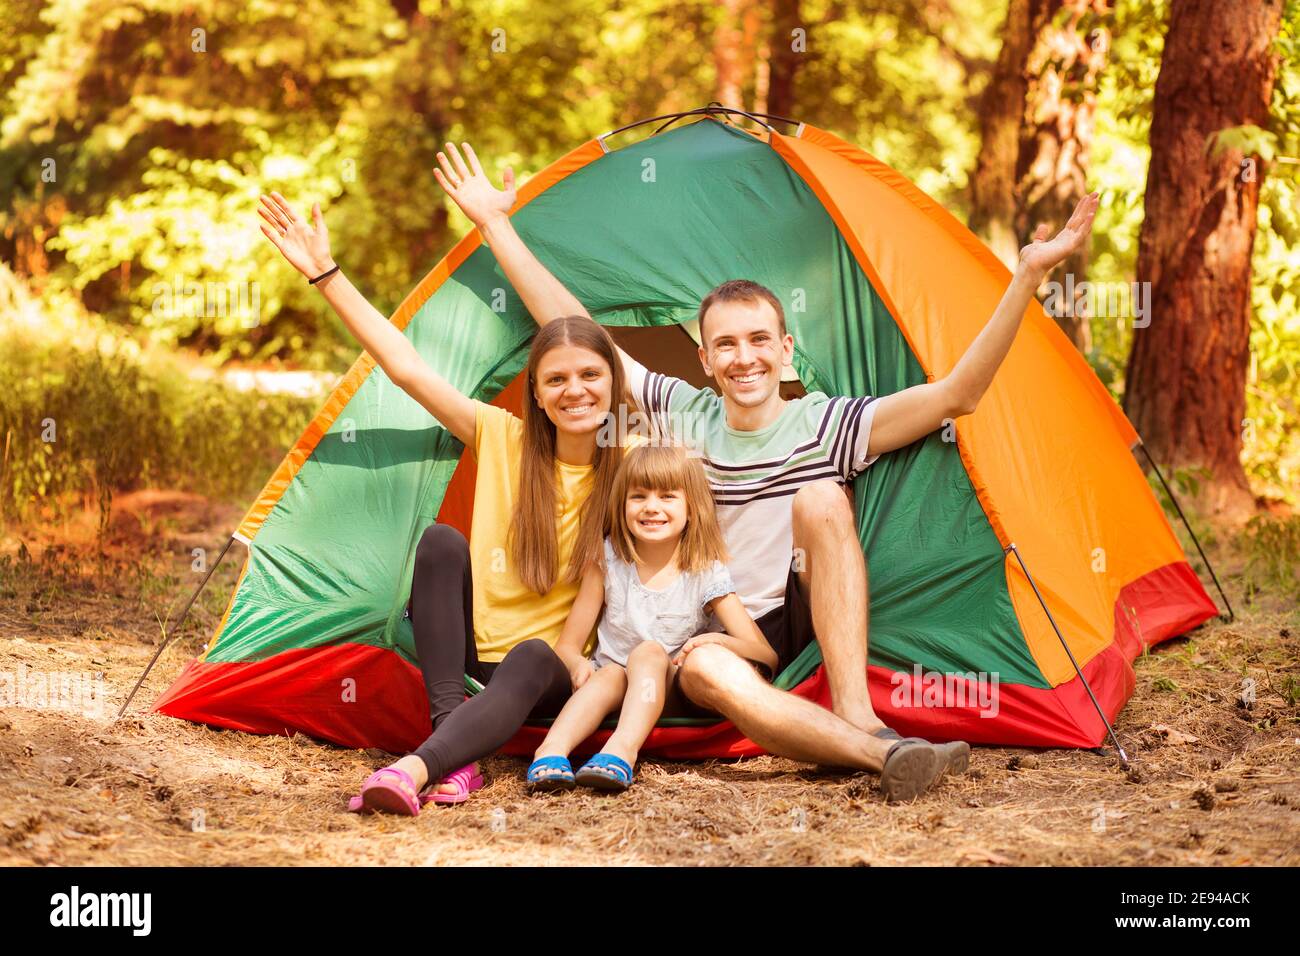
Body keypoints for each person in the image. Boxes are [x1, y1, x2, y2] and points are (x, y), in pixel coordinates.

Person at [433, 140, 1098, 801]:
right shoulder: (683, 413)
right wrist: (495, 226)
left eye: (758, 341)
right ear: (704, 358)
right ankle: (883, 757)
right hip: (709, 627)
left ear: (785, 350)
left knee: (821, 498)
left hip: (790, 612)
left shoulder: (826, 422)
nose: (743, 358)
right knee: (714, 673)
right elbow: (577, 328)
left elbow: (957, 395)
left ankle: (858, 712)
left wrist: (1028, 277)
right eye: (725, 343)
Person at [258, 190, 637, 815]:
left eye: (591, 375)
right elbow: (406, 368)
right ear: (536, 395)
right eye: (557, 379)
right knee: (440, 542)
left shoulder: (633, 463)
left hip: (550, 672)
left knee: (533, 654)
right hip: (468, 660)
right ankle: (456, 748)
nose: (576, 390)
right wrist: (326, 274)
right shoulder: (501, 434)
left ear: (614, 384)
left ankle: (419, 765)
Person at [525, 444, 775, 792]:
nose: (651, 507)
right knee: (611, 672)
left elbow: (764, 653)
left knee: (648, 652)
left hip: (668, 687)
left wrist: (716, 640)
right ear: (622, 504)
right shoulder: (608, 559)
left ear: (691, 507)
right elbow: (567, 645)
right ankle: (550, 751)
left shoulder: (704, 571)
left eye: (667, 496)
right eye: (638, 496)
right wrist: (576, 664)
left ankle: (621, 752)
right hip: (610, 688)